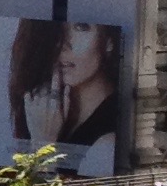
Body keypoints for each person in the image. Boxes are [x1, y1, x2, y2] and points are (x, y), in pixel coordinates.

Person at [7, 20, 127, 162]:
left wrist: (43, 145)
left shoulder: (107, 142)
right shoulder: (38, 110)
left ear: (109, 41)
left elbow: (43, 184)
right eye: (55, 29)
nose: (63, 44)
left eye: (81, 27)